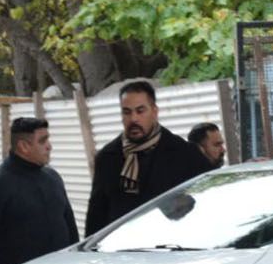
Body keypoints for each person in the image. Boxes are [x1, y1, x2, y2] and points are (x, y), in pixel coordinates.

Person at [0, 117, 79, 264]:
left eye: (48, 139)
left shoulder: (53, 178)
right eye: (42, 141)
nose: (49, 146)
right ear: (23, 146)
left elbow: (70, 227)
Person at [85, 80, 200, 236]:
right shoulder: (107, 157)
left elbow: (202, 206)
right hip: (121, 249)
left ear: (154, 111)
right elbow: (97, 214)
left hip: (170, 245)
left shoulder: (183, 153)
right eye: (127, 112)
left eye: (140, 111)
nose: (134, 119)